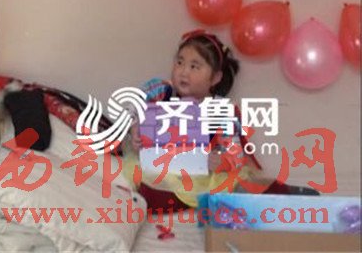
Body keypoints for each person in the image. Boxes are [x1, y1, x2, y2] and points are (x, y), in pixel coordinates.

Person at [128, 30, 298, 213]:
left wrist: (221, 161)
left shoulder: (221, 110)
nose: (183, 72)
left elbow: (235, 154)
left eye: (194, 66)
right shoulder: (161, 90)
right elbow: (131, 109)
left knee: (245, 185)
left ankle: (273, 197)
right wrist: (134, 128)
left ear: (215, 77)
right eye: (179, 62)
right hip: (162, 169)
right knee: (141, 183)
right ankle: (163, 198)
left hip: (201, 176)